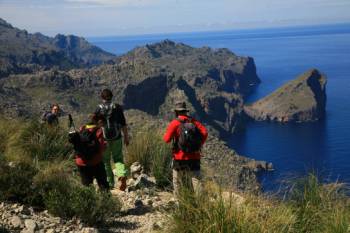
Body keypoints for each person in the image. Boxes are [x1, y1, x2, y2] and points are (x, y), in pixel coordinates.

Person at [163, 101, 208, 196]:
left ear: (176, 112)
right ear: (185, 111)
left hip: (180, 158)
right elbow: (205, 132)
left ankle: (179, 204)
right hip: (194, 157)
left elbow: (166, 140)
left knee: (177, 181)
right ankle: (201, 205)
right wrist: (199, 145)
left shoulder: (174, 123)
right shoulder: (194, 122)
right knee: (196, 181)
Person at [95, 89, 129, 191]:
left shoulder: (98, 109)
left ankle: (109, 183)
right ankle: (121, 174)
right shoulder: (117, 107)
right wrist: (126, 137)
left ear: (102, 97)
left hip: (104, 139)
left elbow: (95, 125)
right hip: (117, 137)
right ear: (111, 97)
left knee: (105, 161)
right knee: (118, 158)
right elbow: (123, 123)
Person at [71, 113, 109, 191]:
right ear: (98, 121)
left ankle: (88, 201)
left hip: (81, 162)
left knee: (87, 187)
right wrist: (105, 145)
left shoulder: (82, 129)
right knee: (103, 184)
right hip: (95, 161)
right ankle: (106, 201)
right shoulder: (98, 130)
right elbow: (101, 148)